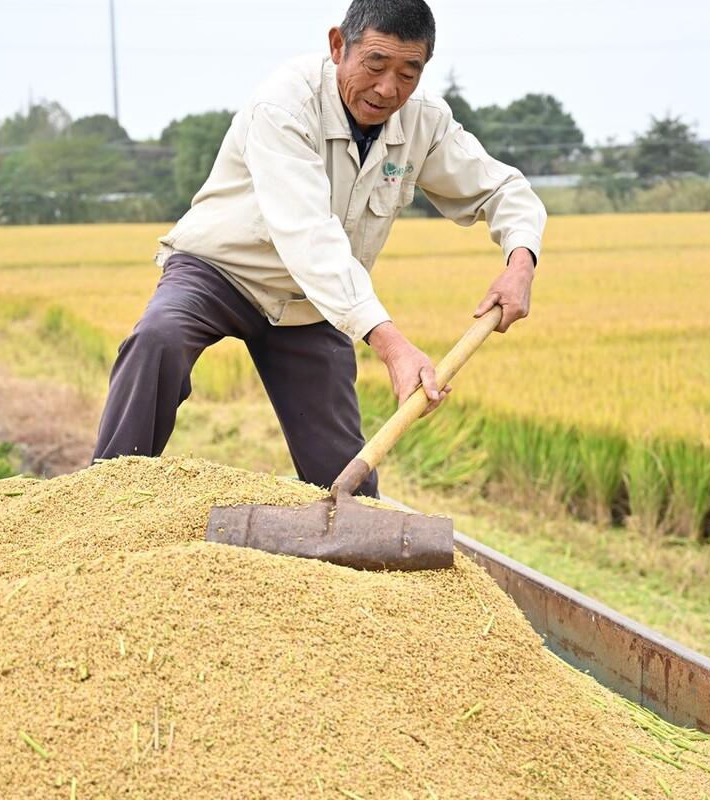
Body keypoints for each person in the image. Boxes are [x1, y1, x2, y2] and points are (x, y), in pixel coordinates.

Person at [93, 0, 546, 498]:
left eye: (407, 72)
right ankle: (107, 498)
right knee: (158, 339)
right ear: (338, 46)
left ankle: (352, 554)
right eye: (375, 64)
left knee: (343, 478)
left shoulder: (424, 123)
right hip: (221, 272)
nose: (388, 88)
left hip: (313, 307)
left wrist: (520, 260)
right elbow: (308, 238)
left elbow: (503, 189)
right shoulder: (285, 105)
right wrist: (392, 345)